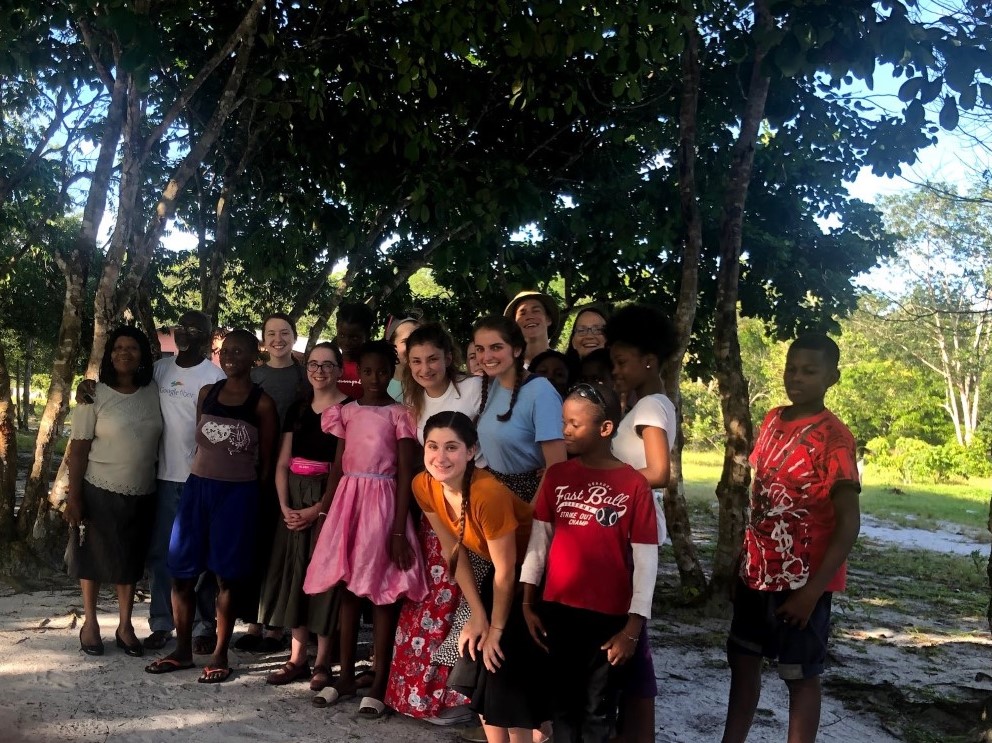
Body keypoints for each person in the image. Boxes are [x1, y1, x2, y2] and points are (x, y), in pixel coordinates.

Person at [721, 334, 861, 743]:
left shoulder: (835, 438)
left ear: (831, 377)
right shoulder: (772, 419)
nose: (796, 378)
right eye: (791, 368)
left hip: (803, 581)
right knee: (743, 662)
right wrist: (743, 561)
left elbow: (848, 522)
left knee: (800, 677)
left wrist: (811, 593)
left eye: (809, 371)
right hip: (756, 573)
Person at [521, 383, 658, 742]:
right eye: (563, 422)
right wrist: (527, 601)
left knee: (597, 708)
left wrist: (631, 629)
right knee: (562, 705)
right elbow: (539, 542)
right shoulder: (558, 476)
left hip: (607, 618)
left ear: (605, 429)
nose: (564, 431)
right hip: (558, 611)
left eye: (574, 424)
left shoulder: (633, 485)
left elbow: (646, 561)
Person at [145, 329, 278, 683]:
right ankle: (182, 649)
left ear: (254, 357)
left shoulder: (262, 404)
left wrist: (256, 507)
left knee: (227, 578)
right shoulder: (208, 393)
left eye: (240, 351)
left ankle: (220, 653)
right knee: (182, 573)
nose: (232, 356)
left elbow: (267, 464)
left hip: (237, 496)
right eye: (227, 351)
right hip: (197, 491)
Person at [303, 340, 428, 717]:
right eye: (368, 372)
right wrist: (326, 513)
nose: (375, 378)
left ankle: (379, 681)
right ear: (356, 373)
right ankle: (343, 677)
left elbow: (407, 471)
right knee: (347, 589)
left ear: (393, 374)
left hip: (383, 503)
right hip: (348, 502)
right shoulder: (346, 412)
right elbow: (338, 466)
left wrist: (396, 528)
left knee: (382, 591)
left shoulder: (400, 414)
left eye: (382, 372)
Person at [413, 411, 547, 743]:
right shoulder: (424, 484)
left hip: (536, 576)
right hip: (501, 575)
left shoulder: (488, 494)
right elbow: (452, 552)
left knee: (504, 669)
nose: (440, 457)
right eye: (433, 446)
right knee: (478, 662)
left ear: (472, 451)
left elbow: (508, 569)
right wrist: (477, 614)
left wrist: (496, 629)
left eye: (452, 448)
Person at [385, 323, 485, 724]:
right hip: (431, 507)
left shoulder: (476, 390)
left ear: (449, 356)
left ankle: (453, 698)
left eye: (432, 359)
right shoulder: (409, 400)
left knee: (462, 600)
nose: (425, 368)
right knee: (427, 598)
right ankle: (414, 695)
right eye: (416, 361)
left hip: (473, 505)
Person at [64, 326, 162, 658]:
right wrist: (73, 496)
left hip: (143, 491)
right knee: (91, 558)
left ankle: (125, 626)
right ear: (109, 354)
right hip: (97, 489)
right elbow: (77, 450)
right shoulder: (93, 395)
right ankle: (90, 624)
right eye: (118, 347)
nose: (124, 352)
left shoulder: (153, 391)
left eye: (132, 347)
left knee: (129, 561)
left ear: (142, 355)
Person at [605, 304, 679, 741]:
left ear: (648, 361)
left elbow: (659, 471)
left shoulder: (651, 405)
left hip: (637, 530)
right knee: (628, 636)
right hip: (626, 526)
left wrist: (605, 478)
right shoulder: (645, 403)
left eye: (621, 362)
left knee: (633, 637)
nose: (615, 370)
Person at [258, 342, 350, 690]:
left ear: (340, 370)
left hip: (329, 499)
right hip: (292, 500)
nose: (320, 371)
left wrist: (317, 509)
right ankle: (296, 658)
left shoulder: (348, 410)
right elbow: (283, 463)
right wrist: (285, 506)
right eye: (314, 364)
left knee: (324, 579)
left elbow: (345, 469)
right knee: (294, 574)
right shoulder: (297, 408)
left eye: (328, 365)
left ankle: (323, 660)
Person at [145, 312, 225, 652]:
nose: (185, 333)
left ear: (209, 338)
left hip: (201, 480)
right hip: (164, 478)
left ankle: (205, 625)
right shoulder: (159, 370)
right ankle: (162, 622)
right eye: (181, 326)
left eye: (195, 329)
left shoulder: (216, 376)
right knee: (161, 555)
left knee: (203, 558)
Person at [235, 313, 309, 652]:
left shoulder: (305, 375)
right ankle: (253, 621)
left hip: (293, 473)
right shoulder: (254, 376)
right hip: (254, 470)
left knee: (283, 549)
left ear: (294, 336)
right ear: (263, 340)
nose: (278, 339)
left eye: (284, 333)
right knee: (257, 544)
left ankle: (277, 626)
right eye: (271, 333)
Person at [473, 315, 566, 503]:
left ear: (516, 349)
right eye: (480, 349)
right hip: (495, 493)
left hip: (529, 498)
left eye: (496, 347)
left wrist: (531, 513)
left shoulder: (541, 393)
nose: (486, 356)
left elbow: (557, 466)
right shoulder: (496, 384)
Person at [503, 291, 560, 369]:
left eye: (536, 311)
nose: (530, 316)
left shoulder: (564, 365)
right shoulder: (506, 369)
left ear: (548, 319)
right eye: (522, 313)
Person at [334, 302, 375, 398]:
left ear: (368, 336)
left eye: (354, 338)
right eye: (342, 335)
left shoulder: (374, 368)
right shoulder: (328, 365)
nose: (347, 342)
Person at [563, 306, 608, 379]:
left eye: (598, 330)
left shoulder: (624, 379)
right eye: (581, 330)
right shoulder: (561, 379)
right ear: (573, 341)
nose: (589, 336)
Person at [385, 315, 421, 402]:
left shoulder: (429, 382)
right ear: (391, 346)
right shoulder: (379, 384)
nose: (413, 346)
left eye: (418, 340)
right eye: (406, 341)